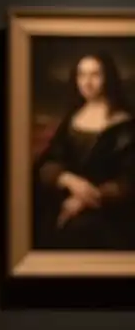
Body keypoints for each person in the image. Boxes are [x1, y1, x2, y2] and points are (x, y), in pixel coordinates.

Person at [33, 51, 135, 250]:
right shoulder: (72, 117)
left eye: (95, 75)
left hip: (110, 213)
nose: (87, 82)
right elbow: (49, 160)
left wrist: (84, 199)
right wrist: (68, 179)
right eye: (82, 74)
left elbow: (129, 180)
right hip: (64, 201)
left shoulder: (126, 125)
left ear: (109, 78)